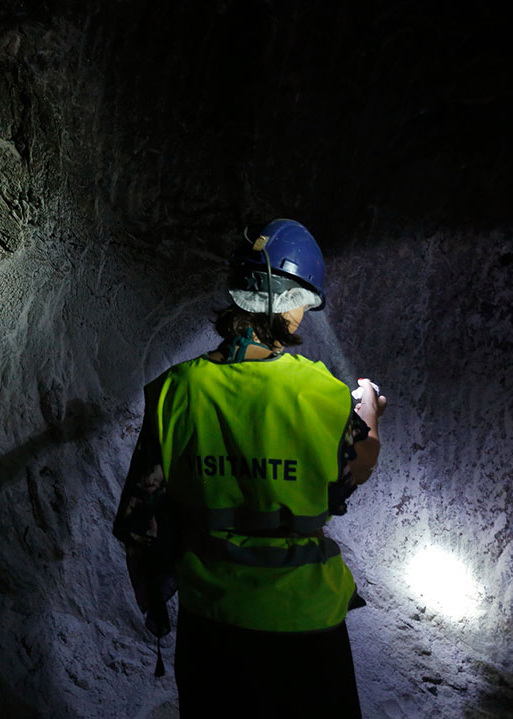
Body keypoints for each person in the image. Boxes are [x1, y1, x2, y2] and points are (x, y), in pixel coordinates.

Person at [114, 219, 386, 718]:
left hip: (213, 622)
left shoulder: (177, 389)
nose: (304, 314)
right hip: (308, 623)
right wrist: (368, 405)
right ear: (287, 302)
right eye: (303, 300)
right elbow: (355, 472)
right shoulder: (322, 391)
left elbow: (141, 517)